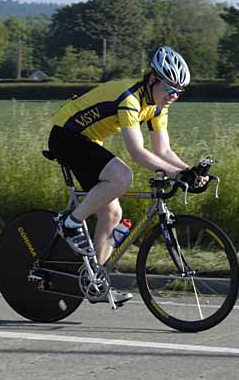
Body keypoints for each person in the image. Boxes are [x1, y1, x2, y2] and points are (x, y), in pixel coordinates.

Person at [48, 46, 208, 305]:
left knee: (112, 215)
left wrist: (188, 171)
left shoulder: (157, 106)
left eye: (180, 91)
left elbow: (162, 150)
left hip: (89, 141)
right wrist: (177, 173)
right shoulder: (130, 98)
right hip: (66, 136)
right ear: (153, 79)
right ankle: (70, 223)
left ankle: (95, 283)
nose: (174, 95)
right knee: (122, 176)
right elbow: (137, 152)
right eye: (170, 88)